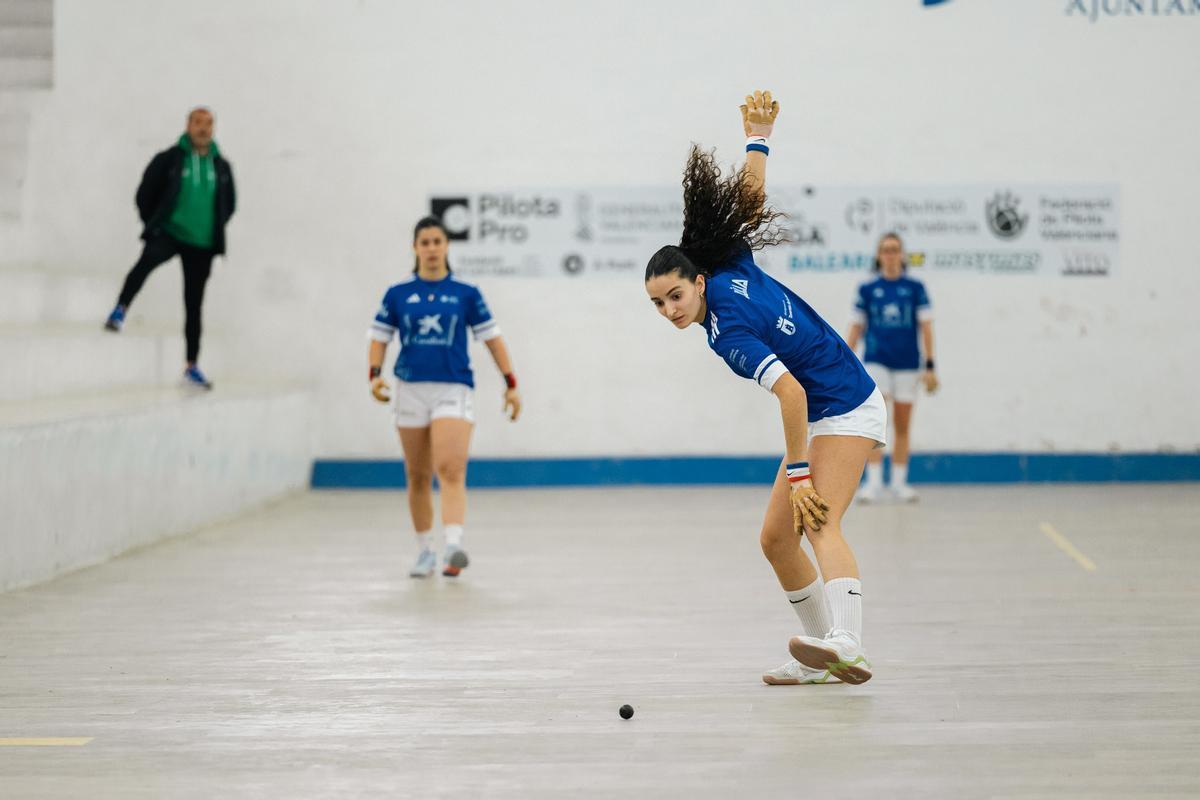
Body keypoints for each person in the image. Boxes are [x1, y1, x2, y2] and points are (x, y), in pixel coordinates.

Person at [644, 91, 885, 685]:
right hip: (826, 406)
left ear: (697, 283)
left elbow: (793, 395)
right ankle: (824, 657)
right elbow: (745, 208)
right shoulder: (728, 267)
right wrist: (758, 139)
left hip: (845, 404)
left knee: (819, 521)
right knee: (777, 538)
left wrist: (800, 474)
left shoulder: (727, 334)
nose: (670, 310)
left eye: (676, 296)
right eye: (657, 304)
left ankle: (848, 642)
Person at [367, 217, 522, 578]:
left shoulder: (466, 293)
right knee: (417, 474)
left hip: (453, 387)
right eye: (425, 242)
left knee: (450, 467)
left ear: (447, 246)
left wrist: (510, 382)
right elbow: (379, 337)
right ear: (415, 247)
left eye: (438, 241)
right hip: (410, 389)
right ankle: (424, 551)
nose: (432, 248)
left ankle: (453, 546)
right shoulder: (398, 293)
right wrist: (374, 376)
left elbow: (492, 338)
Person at [104, 106, 236, 390]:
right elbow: (145, 193)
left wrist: (211, 228)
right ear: (188, 125)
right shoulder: (170, 159)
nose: (203, 128)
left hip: (202, 245)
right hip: (170, 233)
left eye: (209, 123)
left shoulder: (221, 166)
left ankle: (191, 366)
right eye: (198, 122)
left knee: (194, 305)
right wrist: (155, 223)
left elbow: (229, 204)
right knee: (144, 265)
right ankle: (120, 309)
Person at [846, 233, 938, 502]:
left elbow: (926, 327)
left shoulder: (915, 288)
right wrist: (845, 361)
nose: (890, 254)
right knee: (877, 421)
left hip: (909, 364)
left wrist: (930, 365)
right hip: (876, 361)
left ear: (902, 254)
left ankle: (899, 483)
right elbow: (856, 327)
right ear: (878, 255)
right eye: (885, 250)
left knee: (902, 424)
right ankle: (873, 483)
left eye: (895, 250)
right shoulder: (867, 289)